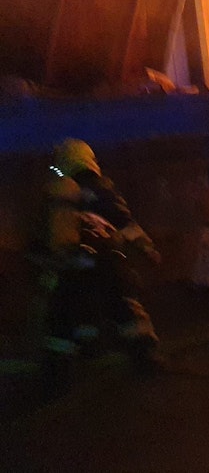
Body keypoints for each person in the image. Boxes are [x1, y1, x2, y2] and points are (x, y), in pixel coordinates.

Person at [38, 139, 164, 393]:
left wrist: (49, 269)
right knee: (125, 307)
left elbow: (53, 236)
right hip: (109, 260)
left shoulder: (61, 192)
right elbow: (126, 224)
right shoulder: (105, 189)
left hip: (74, 264)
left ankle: (57, 376)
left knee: (64, 314)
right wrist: (148, 249)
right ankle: (145, 357)